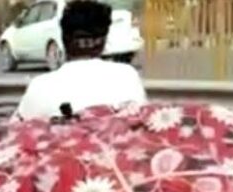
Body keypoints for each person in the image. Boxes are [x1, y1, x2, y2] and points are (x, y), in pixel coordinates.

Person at [12, 0, 146, 122]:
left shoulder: (39, 86)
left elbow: (15, 132)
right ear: (104, 42)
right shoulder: (127, 77)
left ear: (63, 40)